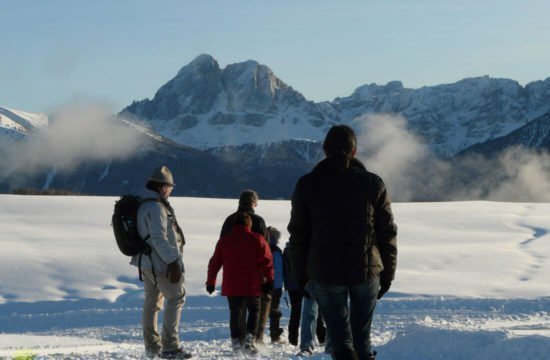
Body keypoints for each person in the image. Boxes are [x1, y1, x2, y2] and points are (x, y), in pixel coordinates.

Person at [287, 125, 398, 360]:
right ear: (354, 151)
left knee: (340, 341)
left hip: (324, 272)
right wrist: (387, 273)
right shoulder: (373, 183)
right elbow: (387, 232)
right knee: (362, 339)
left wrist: (301, 275)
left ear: (325, 150)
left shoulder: (307, 184)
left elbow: (298, 234)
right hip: (367, 270)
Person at [131, 165, 193, 359]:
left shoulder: (143, 204)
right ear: (163, 187)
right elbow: (159, 238)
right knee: (176, 298)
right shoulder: (157, 207)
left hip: (146, 263)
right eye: (170, 187)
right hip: (161, 265)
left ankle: (152, 347)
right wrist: (173, 261)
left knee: (152, 303)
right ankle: (170, 347)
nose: (171, 190)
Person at [206, 212, 274, 354]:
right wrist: (270, 280)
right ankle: (250, 340)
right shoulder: (257, 239)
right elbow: (267, 262)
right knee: (254, 311)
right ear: (249, 224)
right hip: (252, 284)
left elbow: (214, 263)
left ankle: (236, 342)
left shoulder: (224, 241)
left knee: (235, 313)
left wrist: (211, 282)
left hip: (232, 285)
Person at [220, 190, 272, 344]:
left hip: (233, 274)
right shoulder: (259, 221)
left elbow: (221, 246)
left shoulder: (229, 220)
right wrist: (268, 277)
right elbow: (266, 250)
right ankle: (256, 339)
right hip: (255, 275)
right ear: (254, 203)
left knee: (236, 310)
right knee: (258, 308)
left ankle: (238, 339)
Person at [267, 226, 285, 343]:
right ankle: (275, 334)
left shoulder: (262, 247)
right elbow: (278, 270)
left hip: (262, 284)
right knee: (274, 310)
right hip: (275, 286)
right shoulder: (276, 251)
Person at [282, 242, 302, 346]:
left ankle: (292, 339)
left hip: (291, 285)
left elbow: (284, 269)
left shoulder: (287, 250)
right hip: (303, 283)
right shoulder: (303, 246)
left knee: (295, 312)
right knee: (313, 311)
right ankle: (320, 336)